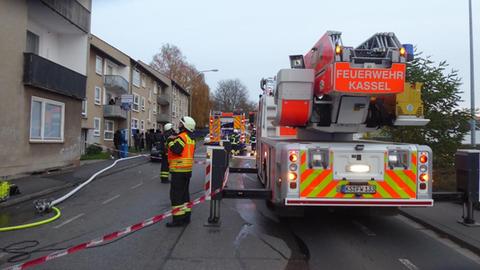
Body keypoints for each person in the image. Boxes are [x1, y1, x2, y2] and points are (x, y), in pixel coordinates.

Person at [166, 117, 196, 227]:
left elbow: (176, 150)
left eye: (180, 123)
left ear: (185, 125)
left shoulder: (182, 137)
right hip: (187, 170)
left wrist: (169, 141)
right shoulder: (191, 139)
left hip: (178, 171)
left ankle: (177, 220)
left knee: (176, 196)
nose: (179, 125)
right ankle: (186, 217)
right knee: (184, 195)